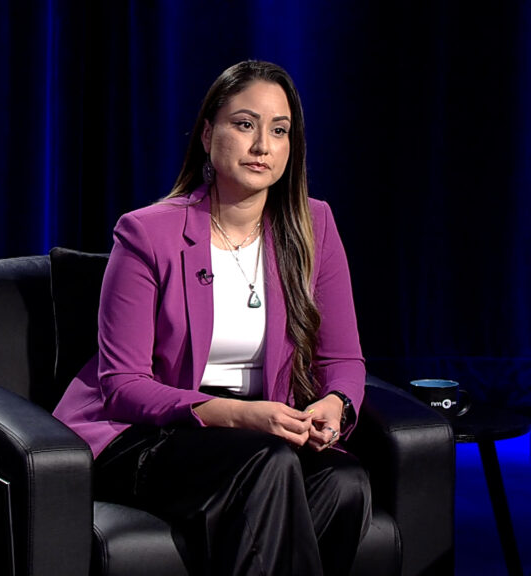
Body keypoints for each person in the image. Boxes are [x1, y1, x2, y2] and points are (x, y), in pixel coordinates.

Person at [52, 61, 370, 576]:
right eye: (244, 124)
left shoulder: (315, 226)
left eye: (279, 130)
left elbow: (343, 357)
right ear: (207, 134)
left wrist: (336, 403)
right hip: (145, 433)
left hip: (263, 432)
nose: (263, 145)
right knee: (268, 463)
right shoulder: (146, 233)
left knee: (345, 482)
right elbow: (123, 385)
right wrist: (241, 414)